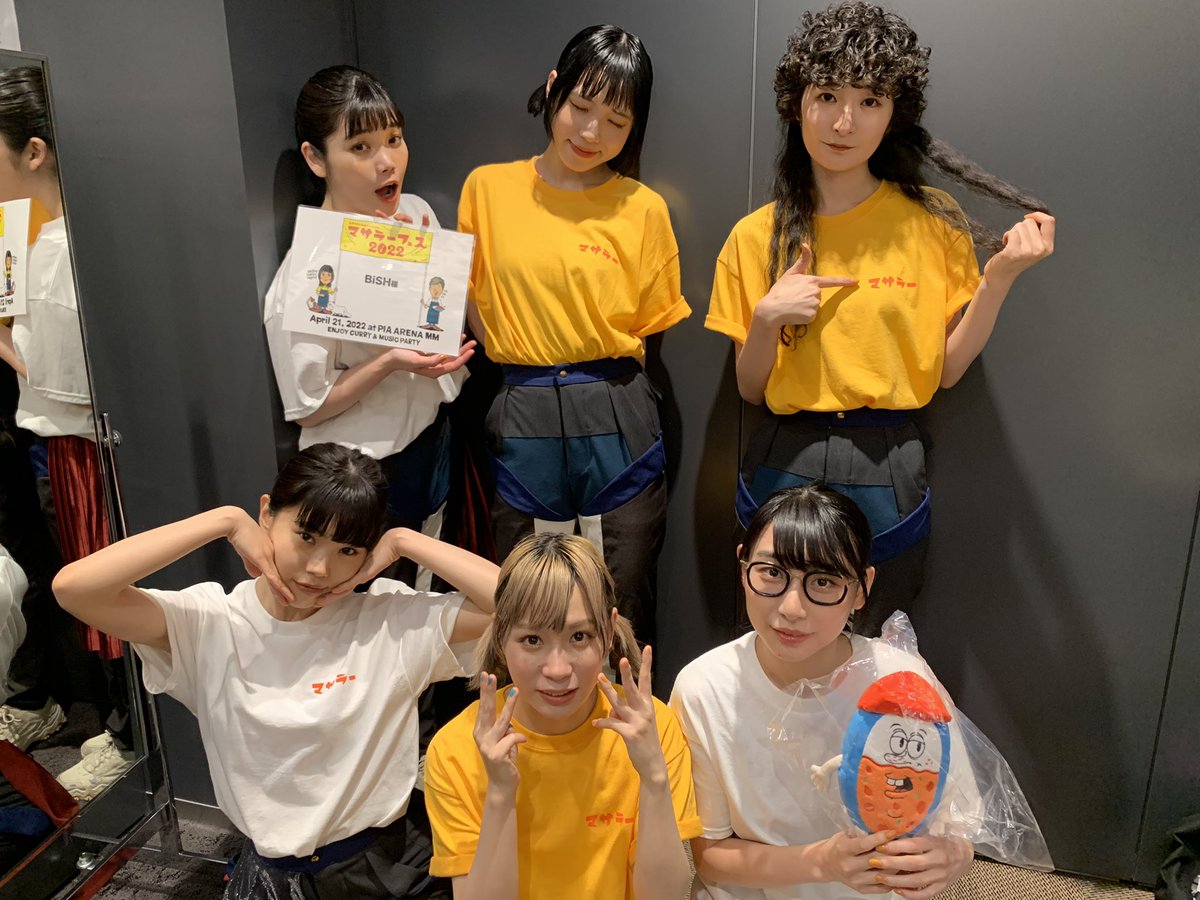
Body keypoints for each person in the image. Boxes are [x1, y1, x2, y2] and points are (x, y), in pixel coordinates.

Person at [706, 1, 1056, 634]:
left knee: (879, 646)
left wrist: (998, 279)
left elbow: (946, 372)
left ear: (895, 113)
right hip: (785, 457)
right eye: (827, 96)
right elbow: (751, 388)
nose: (845, 121)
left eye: (869, 100)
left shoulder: (933, 221)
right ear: (796, 103)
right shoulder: (754, 236)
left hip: (888, 461)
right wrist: (767, 319)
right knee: (781, 638)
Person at [53, 442, 500, 899]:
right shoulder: (210, 621)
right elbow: (75, 589)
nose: (319, 568)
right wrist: (224, 520)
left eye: (348, 549)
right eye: (306, 536)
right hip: (268, 870)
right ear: (266, 514)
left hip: (382, 867)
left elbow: (527, 606)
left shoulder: (390, 618)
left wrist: (405, 541)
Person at [458, 24, 690, 641]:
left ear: (635, 126)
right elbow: (471, 296)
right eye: (581, 107)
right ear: (554, 89)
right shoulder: (487, 188)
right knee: (526, 597)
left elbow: (648, 330)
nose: (591, 133)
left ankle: (628, 705)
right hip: (521, 410)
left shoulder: (643, 208)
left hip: (616, 410)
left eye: (616, 121)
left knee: (625, 593)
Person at [670, 484, 973, 899]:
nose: (791, 608)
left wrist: (952, 856)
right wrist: (820, 862)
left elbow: (959, 824)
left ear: (862, 588)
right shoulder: (704, 688)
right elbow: (710, 855)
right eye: (771, 573)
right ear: (743, 568)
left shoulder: (900, 680)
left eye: (824, 581)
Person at [264, 65, 476, 589]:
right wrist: (390, 362)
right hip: (360, 472)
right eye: (360, 147)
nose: (386, 162)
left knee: (424, 597)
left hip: (431, 441)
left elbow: (440, 314)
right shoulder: (307, 273)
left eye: (394, 139)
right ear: (316, 159)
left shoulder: (417, 214)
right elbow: (310, 405)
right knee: (365, 606)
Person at [423, 532, 700, 899]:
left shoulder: (652, 730)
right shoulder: (456, 750)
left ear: (608, 630)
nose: (557, 669)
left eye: (579, 637)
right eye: (532, 640)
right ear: (500, 636)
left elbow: (665, 896)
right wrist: (501, 794)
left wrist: (654, 778)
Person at [0, 65, 132, 800]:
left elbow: (62, 382)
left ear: (35, 151)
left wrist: (7, 345)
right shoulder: (56, 239)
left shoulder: (58, 251)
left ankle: (129, 737)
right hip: (74, 445)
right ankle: (121, 728)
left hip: (82, 450)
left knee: (103, 594)